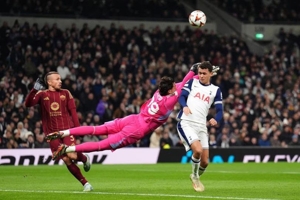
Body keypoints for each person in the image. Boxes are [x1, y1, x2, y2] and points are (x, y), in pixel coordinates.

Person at [46, 63, 219, 158]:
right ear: (171, 90)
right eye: (174, 85)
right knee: (102, 145)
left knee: (97, 129)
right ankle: (67, 150)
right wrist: (197, 72)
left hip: (133, 118)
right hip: (138, 128)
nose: (176, 85)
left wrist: (196, 71)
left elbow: (184, 81)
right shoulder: (171, 100)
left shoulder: (158, 92)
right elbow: (186, 81)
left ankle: (62, 132)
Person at [24, 71, 93, 192]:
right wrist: (33, 90)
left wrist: (78, 129)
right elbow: (28, 104)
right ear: (49, 82)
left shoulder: (66, 93)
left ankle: (84, 159)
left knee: (71, 155)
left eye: (60, 79)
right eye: (57, 79)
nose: (60, 81)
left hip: (67, 130)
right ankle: (86, 184)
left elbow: (73, 112)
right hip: (52, 134)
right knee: (66, 159)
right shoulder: (42, 94)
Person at [176, 61, 223, 192]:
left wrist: (216, 119)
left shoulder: (215, 90)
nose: (201, 76)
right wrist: (184, 106)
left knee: (205, 162)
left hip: (202, 126)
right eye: (200, 73)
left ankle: (194, 175)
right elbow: (182, 96)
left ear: (210, 74)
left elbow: (219, 110)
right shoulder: (192, 83)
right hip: (187, 122)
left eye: (204, 73)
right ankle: (195, 177)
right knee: (197, 150)